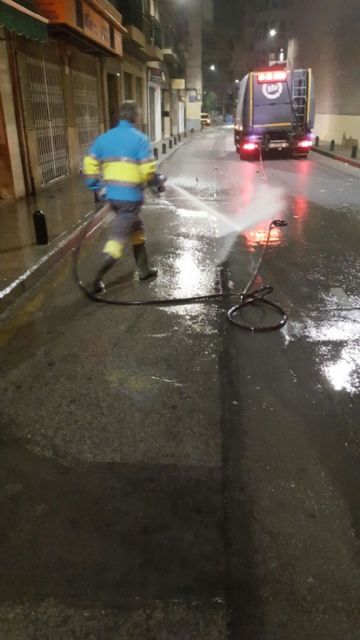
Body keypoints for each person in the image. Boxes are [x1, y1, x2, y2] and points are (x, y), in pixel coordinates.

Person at [83, 100, 160, 293]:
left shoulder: (105, 138)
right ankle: (95, 279)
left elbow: (89, 164)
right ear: (135, 116)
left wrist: (98, 187)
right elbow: (147, 170)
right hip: (130, 200)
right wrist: (156, 182)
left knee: (137, 228)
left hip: (113, 198)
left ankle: (143, 270)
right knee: (116, 242)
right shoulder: (139, 139)